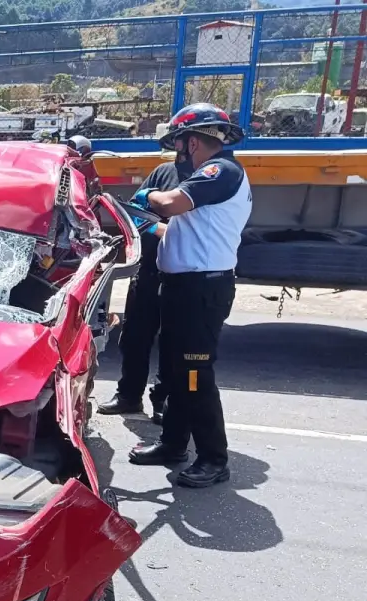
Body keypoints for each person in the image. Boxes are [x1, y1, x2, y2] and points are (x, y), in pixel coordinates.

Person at [127, 103, 251, 489]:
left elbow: (169, 204)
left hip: (201, 290)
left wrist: (148, 197)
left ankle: (214, 458)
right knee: (180, 370)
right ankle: (173, 444)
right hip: (184, 288)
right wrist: (147, 230)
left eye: (180, 144)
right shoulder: (208, 180)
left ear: (192, 141)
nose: (178, 153)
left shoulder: (219, 170)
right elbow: (181, 230)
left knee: (196, 374)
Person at [97, 157, 192, 424]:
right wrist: (152, 227)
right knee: (134, 337)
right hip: (149, 269)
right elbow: (135, 211)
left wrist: (169, 231)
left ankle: (163, 401)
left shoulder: (207, 179)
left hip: (183, 275)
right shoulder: (164, 173)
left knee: (172, 342)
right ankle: (129, 395)